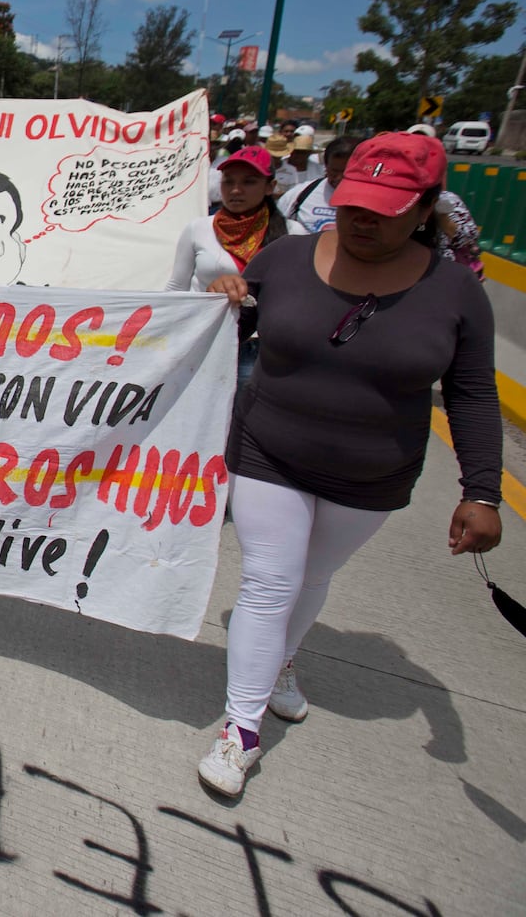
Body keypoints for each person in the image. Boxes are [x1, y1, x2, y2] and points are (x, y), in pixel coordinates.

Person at [198, 131, 503, 797]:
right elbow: (222, 332)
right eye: (354, 202)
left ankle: (282, 662)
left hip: (371, 474)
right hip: (266, 450)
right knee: (270, 581)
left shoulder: (456, 293)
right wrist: (220, 293)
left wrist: (483, 492)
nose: (361, 219)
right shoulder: (284, 259)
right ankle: (241, 727)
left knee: (313, 576)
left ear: (426, 208)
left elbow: (473, 392)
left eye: (384, 209)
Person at [168, 145, 305, 386]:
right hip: (204, 342)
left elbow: (302, 297)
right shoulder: (198, 228)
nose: (235, 190)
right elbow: (176, 288)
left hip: (263, 350)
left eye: (249, 182)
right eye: (228, 181)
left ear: (270, 187)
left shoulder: (293, 235)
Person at [407, 125, 483, 278]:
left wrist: (442, 215)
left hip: (441, 277)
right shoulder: (393, 199)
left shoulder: (448, 200)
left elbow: (468, 239)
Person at [279, 135, 361, 232]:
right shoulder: (299, 194)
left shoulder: (371, 200)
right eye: (334, 171)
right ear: (326, 166)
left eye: (346, 172)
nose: (339, 178)